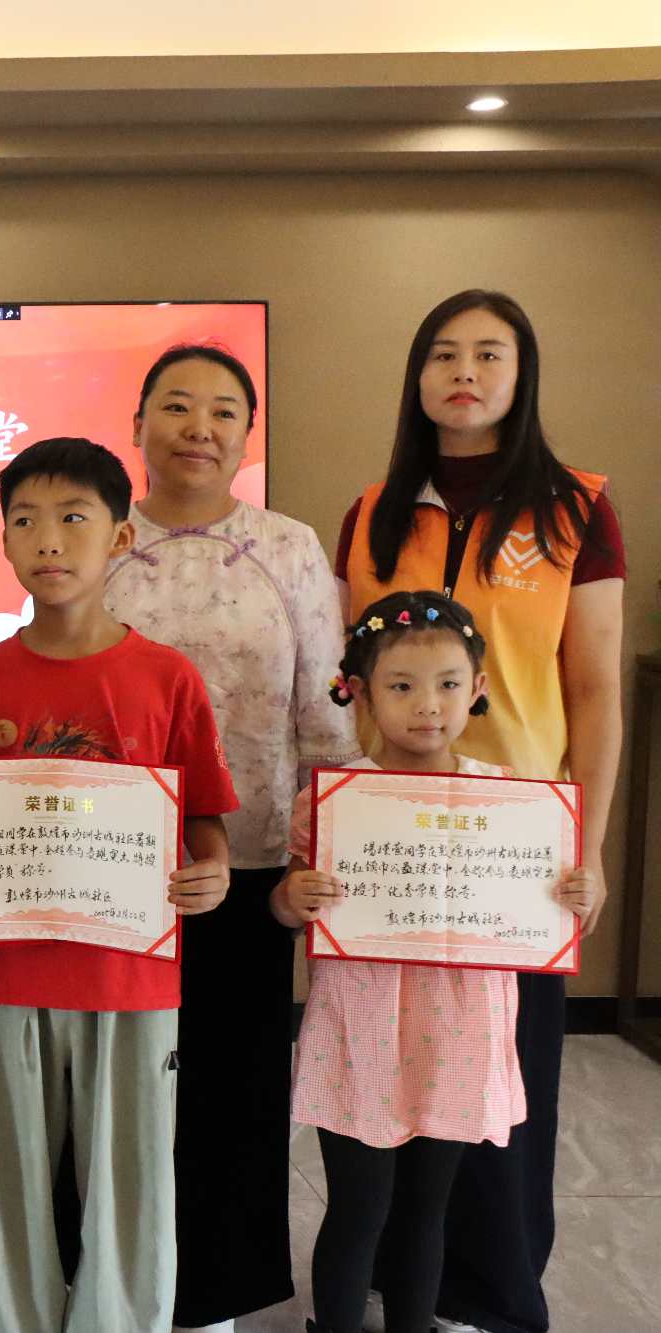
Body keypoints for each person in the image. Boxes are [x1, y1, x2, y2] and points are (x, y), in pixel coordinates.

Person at [0, 437, 236, 1333]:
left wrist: (213, 869)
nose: (48, 539)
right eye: (25, 520)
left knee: (132, 1174)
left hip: (132, 974)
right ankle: (12, 1316)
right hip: (5, 973)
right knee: (10, 1172)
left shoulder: (167, 677)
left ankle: (124, 1319)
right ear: (3, 539)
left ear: (120, 536)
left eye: (74, 517)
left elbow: (203, 816)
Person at [335, 290, 622, 1333]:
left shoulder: (575, 509)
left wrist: (587, 846)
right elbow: (348, 681)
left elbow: (593, 687)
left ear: (521, 373)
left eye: (489, 354)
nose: (465, 371)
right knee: (391, 1077)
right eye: (443, 354)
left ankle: (492, 1295)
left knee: (502, 1085)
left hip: (515, 852)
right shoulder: (372, 511)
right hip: (393, 842)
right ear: (416, 377)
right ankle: (399, 1282)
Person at [102, 343, 360, 1332]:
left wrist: (315, 853)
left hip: (251, 863)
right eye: (175, 405)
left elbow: (325, 715)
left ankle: (211, 1296)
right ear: (136, 425)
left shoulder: (289, 547)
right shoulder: (99, 537)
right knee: (119, 1086)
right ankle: (115, 1279)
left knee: (234, 1087)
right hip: (114, 867)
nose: (198, 427)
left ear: (247, 436)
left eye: (222, 411)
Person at [273, 591, 600, 1333]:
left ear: (477, 688)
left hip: (459, 1033)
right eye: (402, 685)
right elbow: (288, 909)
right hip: (359, 1032)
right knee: (359, 1208)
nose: (428, 705)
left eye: (449, 684)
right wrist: (293, 897)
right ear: (360, 691)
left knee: (428, 1209)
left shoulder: (511, 801)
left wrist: (571, 893)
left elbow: (544, 907)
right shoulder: (334, 801)